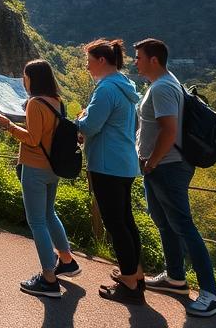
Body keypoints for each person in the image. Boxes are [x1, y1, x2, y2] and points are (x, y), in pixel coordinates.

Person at [135, 38, 216, 318]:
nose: (134, 61)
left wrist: (151, 161)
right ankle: (175, 277)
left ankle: (211, 294)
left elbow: (169, 131)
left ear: (154, 60)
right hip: (163, 166)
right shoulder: (166, 83)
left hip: (167, 166)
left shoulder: (162, 88)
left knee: (184, 225)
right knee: (165, 222)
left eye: (138, 57)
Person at [0, 59, 77, 299]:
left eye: (25, 76)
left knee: (37, 222)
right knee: (50, 214)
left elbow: (32, 139)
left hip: (35, 167)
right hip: (54, 167)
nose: (23, 80)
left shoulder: (34, 103)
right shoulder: (58, 102)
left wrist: (9, 125)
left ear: (32, 78)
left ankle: (49, 279)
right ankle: (67, 261)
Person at [76, 39, 143, 303]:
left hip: (107, 164)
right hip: (125, 163)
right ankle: (135, 274)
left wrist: (79, 120)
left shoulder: (105, 89)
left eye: (89, 61)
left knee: (115, 224)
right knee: (126, 221)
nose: (87, 66)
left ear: (101, 61)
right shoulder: (125, 87)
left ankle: (128, 284)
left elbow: (90, 126)